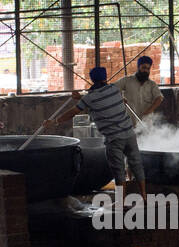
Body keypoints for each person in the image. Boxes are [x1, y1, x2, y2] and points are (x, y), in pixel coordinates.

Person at [44, 66, 147, 200]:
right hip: (129, 134)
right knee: (136, 164)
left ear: (92, 80)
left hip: (114, 139)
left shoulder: (90, 98)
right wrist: (81, 97)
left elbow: (74, 111)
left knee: (119, 170)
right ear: (105, 77)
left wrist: (55, 121)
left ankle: (121, 202)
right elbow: (99, 99)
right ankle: (144, 196)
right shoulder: (115, 90)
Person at [117, 55, 164, 122]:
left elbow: (159, 98)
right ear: (138, 67)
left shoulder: (152, 84)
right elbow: (113, 89)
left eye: (148, 69)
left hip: (147, 122)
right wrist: (120, 97)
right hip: (130, 121)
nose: (146, 70)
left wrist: (148, 111)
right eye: (144, 67)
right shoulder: (127, 80)